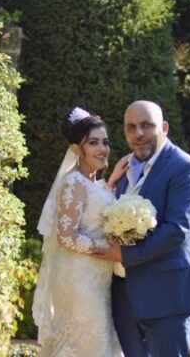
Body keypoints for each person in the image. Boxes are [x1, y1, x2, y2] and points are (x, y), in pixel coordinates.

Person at [92, 100, 190, 357]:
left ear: (164, 128)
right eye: (131, 127)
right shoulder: (124, 169)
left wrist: (124, 255)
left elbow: (178, 230)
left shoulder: (186, 169)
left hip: (167, 293)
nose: (138, 134)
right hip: (124, 294)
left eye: (146, 125)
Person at [32, 106, 127, 356]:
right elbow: (66, 236)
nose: (102, 148)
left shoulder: (93, 183)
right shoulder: (73, 182)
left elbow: (97, 205)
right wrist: (108, 251)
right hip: (78, 278)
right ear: (77, 149)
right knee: (86, 343)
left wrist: (113, 182)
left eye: (105, 142)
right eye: (93, 143)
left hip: (97, 277)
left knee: (97, 341)